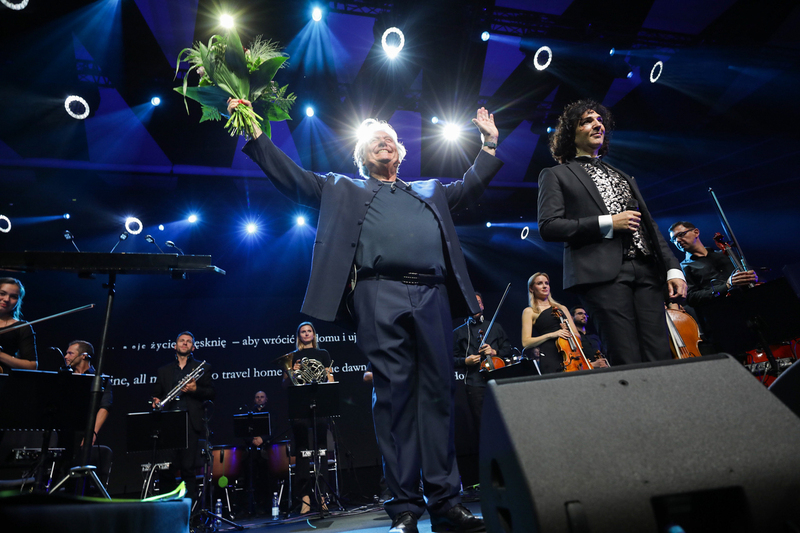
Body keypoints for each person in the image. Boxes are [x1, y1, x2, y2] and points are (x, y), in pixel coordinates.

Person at [230, 97, 500, 533]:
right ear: (362, 156)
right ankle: (406, 507)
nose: (384, 142)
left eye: (390, 139)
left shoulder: (429, 189)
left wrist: (487, 146)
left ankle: (447, 500)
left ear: (399, 152)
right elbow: (293, 178)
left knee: (437, 396)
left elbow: (469, 186)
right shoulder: (342, 186)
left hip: (432, 296)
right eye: (375, 140)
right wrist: (256, 132)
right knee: (393, 398)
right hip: (378, 292)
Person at [537, 100, 687, 366]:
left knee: (661, 354)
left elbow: (649, 225)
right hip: (601, 274)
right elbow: (549, 226)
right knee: (626, 355)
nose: (597, 124)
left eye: (599, 119)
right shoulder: (556, 174)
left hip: (646, 271)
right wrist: (607, 223)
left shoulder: (622, 175)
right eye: (586, 120)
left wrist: (673, 268)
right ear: (571, 133)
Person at [152, 331, 214, 503]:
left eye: (188, 342)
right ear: (175, 345)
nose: (185, 343)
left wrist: (195, 390)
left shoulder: (203, 368)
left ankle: (190, 513)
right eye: (181, 341)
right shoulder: (163, 370)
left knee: (188, 469)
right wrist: (155, 400)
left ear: (193, 347)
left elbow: (211, 393)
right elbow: (156, 394)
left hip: (190, 422)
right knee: (166, 469)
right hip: (169, 422)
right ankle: (169, 510)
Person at [283, 321, 333, 515]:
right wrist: (291, 372)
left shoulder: (323, 354)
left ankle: (322, 498)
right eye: (303, 331)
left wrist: (330, 382)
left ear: (314, 334)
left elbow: (329, 379)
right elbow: (285, 385)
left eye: (309, 331)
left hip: (320, 406)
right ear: (299, 335)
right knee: (302, 452)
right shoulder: (293, 356)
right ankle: (305, 498)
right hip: (300, 408)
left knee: (321, 451)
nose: (306, 334)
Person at [453, 292, 511, 435]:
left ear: (482, 306)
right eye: (470, 302)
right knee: (481, 423)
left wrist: (494, 352)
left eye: (477, 302)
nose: (474, 305)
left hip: (499, 380)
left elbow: (508, 349)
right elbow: (450, 359)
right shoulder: (458, 333)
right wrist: (465, 361)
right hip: (475, 383)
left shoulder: (495, 327)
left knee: (505, 421)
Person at [521, 273, 585, 374]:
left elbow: (578, 336)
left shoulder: (561, 308)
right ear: (531, 288)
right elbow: (526, 342)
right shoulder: (530, 311)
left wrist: (568, 331)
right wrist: (552, 334)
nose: (544, 286)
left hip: (569, 354)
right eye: (539, 283)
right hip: (549, 355)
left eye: (546, 283)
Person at [64, 340, 112, 443]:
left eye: (70, 353)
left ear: (84, 356)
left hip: (85, 431)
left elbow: (105, 407)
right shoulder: (64, 378)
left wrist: (91, 434)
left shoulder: (100, 379)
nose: (66, 356)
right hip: (64, 432)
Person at [0, 277, 37, 372]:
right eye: (2, 294)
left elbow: (32, 366)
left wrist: (1, 355)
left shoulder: (22, 327)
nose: (7, 299)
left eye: (14, 296)